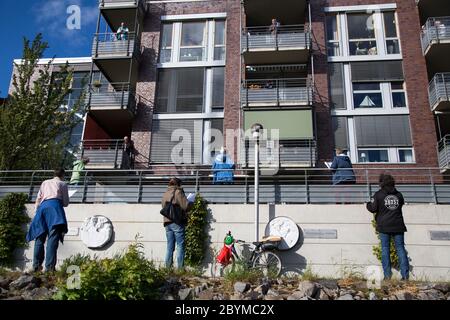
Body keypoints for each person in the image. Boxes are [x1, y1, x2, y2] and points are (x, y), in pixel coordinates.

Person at [366, 174, 409, 281]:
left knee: (385, 249)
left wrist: (367, 204)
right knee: (400, 249)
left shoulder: (378, 195)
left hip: (384, 226)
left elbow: (373, 209)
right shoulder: (399, 195)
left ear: (381, 183)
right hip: (398, 226)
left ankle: (387, 276)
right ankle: (405, 276)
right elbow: (401, 205)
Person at [26, 168, 69, 272]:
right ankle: (49, 268)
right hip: (55, 209)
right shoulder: (63, 184)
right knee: (52, 239)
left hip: (42, 209)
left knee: (39, 238)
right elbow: (66, 203)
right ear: (62, 175)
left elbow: (38, 198)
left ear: (54, 174)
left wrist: (37, 211)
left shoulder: (45, 182)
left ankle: (36, 267)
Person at [161, 178, 190, 269]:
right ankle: (180, 268)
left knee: (170, 246)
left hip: (167, 222)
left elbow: (163, 207)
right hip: (177, 221)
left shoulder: (165, 193)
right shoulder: (178, 192)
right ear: (178, 184)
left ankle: (168, 268)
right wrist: (191, 202)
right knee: (180, 245)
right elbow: (185, 206)